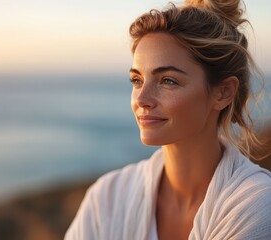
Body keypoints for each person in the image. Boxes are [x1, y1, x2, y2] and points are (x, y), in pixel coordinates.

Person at [65, 0, 271, 239]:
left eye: (168, 81)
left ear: (223, 92)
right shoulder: (107, 198)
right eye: (137, 80)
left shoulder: (255, 206)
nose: (141, 99)